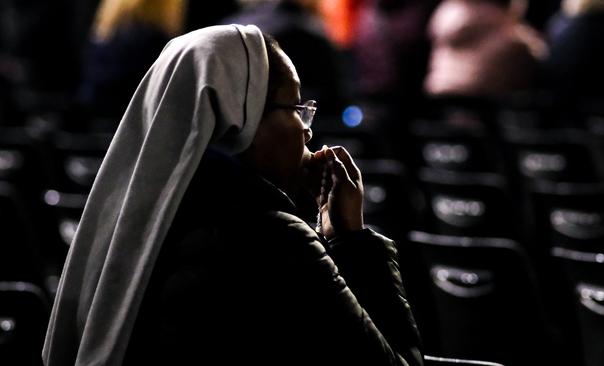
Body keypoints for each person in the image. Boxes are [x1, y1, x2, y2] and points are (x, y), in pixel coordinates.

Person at [42, 24, 423, 366]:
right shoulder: (277, 239)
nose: (307, 132)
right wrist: (352, 239)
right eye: (296, 108)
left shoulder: (130, 225)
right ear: (242, 119)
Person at [424, 0, 546, 97]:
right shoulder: (496, 19)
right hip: (481, 98)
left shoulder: (448, 10)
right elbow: (537, 52)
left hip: (438, 91)